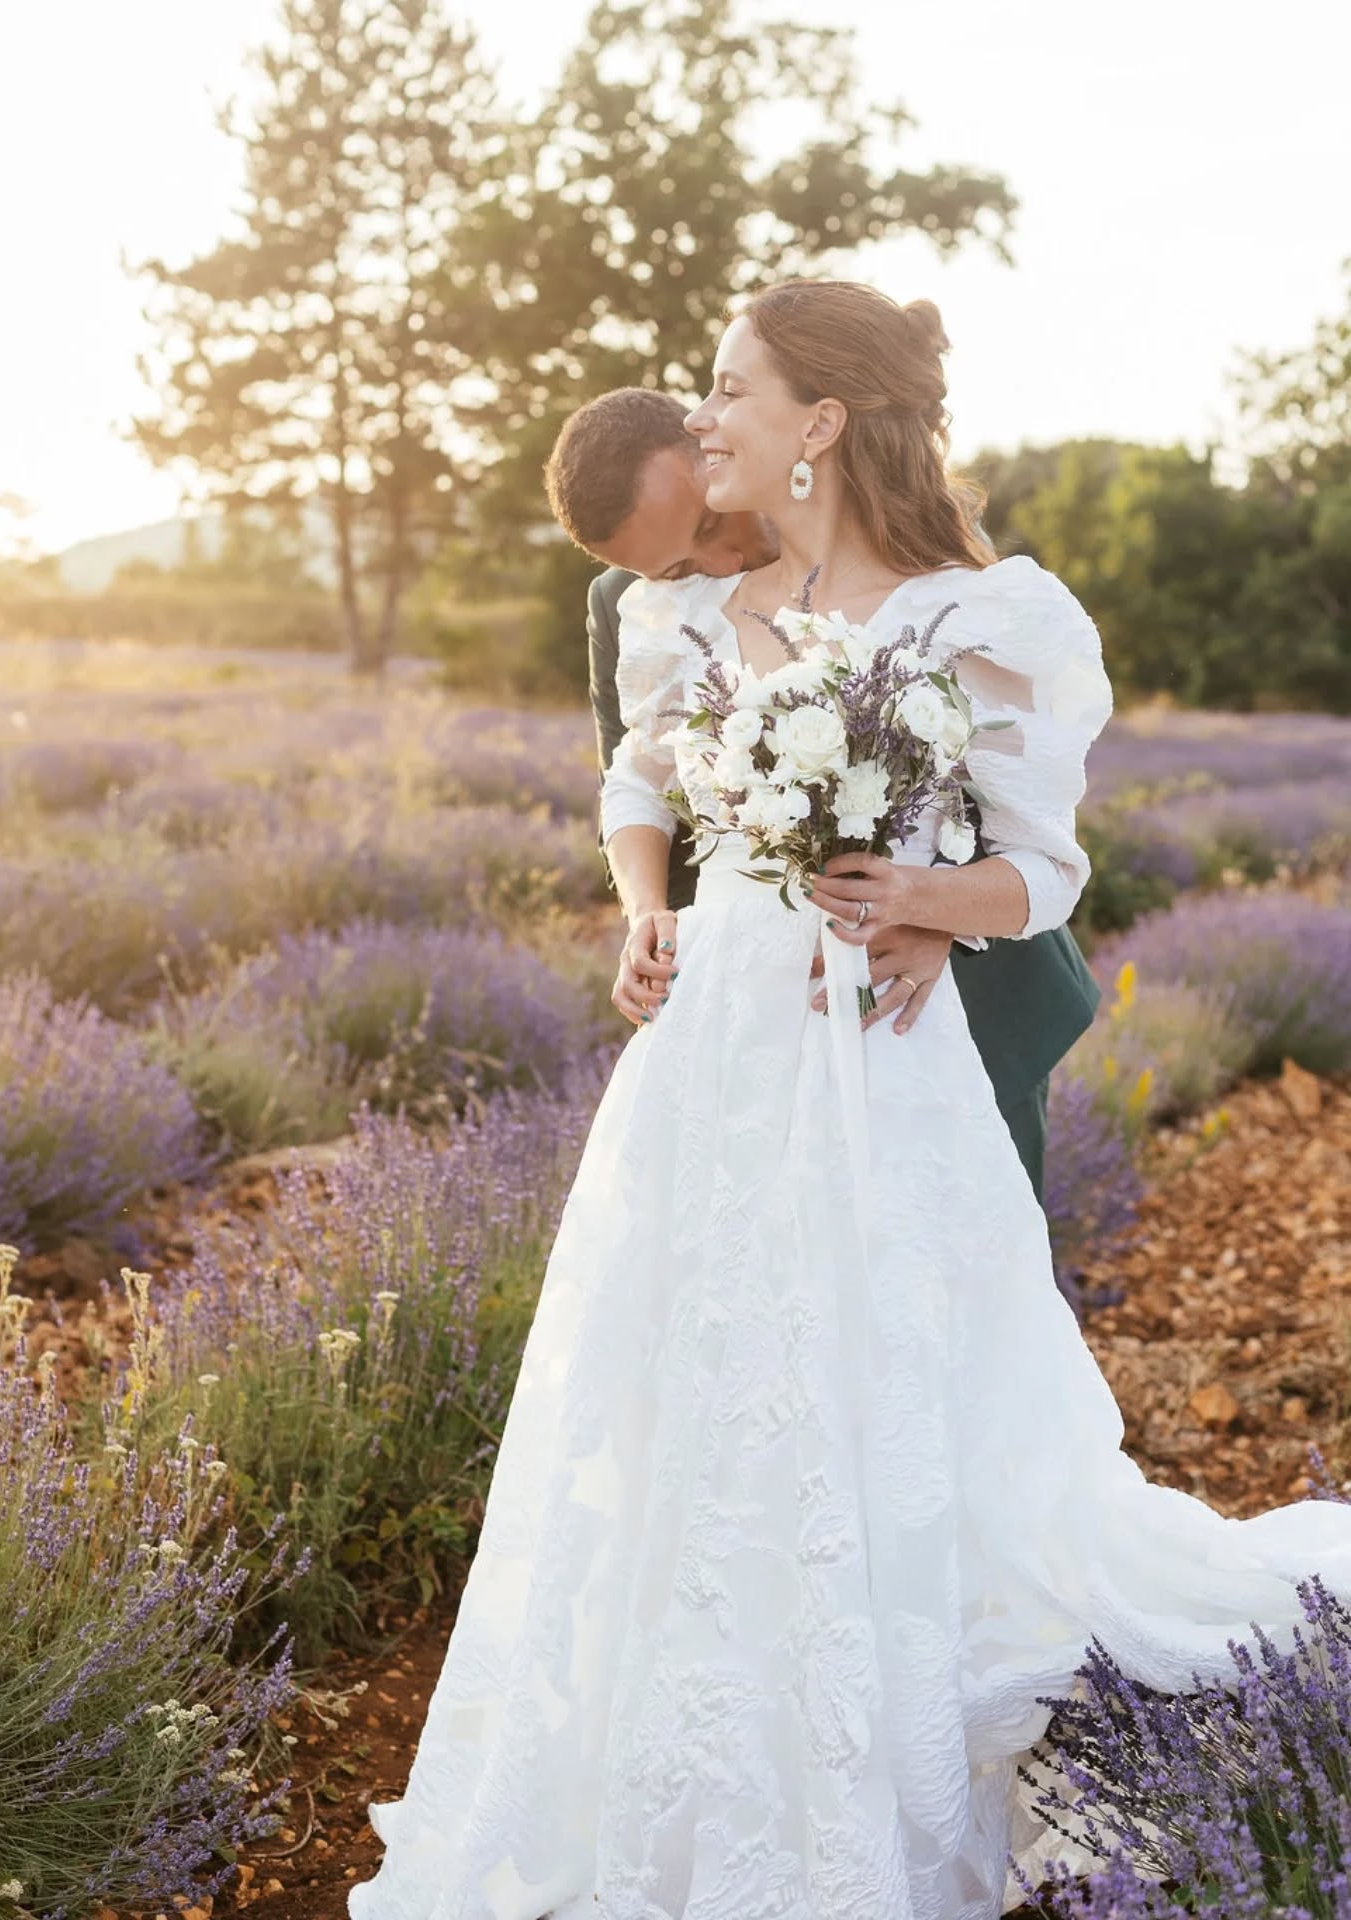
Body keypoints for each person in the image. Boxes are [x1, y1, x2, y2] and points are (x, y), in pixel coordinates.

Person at [347, 280, 1351, 1920]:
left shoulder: (978, 616)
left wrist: (924, 903)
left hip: (876, 1051)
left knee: (877, 1388)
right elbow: (644, 778)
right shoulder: (681, 615)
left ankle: (869, 1739)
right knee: (689, 1386)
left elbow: (1041, 870)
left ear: (818, 420)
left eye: (731, 385)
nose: (706, 411)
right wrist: (649, 910)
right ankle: (685, 1749)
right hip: (714, 1056)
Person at [544, 385, 1098, 1199]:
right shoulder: (639, 609)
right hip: (761, 1020)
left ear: (718, 449)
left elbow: (1006, 776)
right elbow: (640, 782)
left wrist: (938, 918)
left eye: (709, 526)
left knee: (962, 1244)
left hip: (962, 997)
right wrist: (645, 918)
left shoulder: (912, 541)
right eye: (676, 567)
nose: (718, 565)